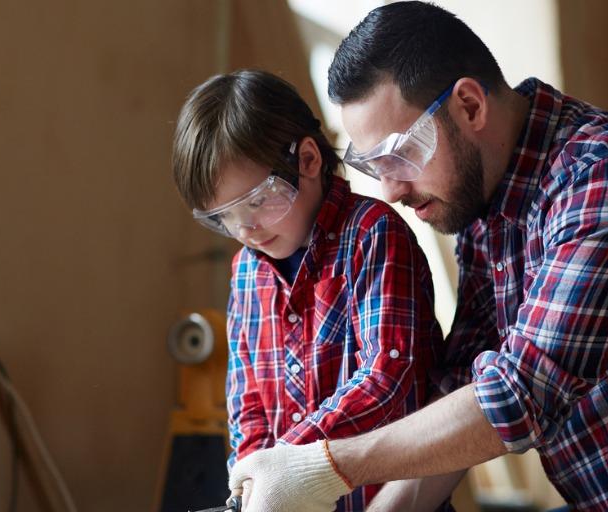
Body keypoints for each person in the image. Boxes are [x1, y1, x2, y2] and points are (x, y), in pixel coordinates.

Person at [227, 2, 608, 511]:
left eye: (400, 155)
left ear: (469, 105)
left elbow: (517, 398)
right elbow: (460, 389)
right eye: (375, 168)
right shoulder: (488, 214)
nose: (391, 192)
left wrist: (324, 467)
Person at [172, 69, 447, 511]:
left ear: (308, 161)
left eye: (258, 202)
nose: (246, 229)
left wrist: (284, 464)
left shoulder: (372, 235)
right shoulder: (246, 271)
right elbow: (247, 407)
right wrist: (252, 482)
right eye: (223, 217)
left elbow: (386, 380)